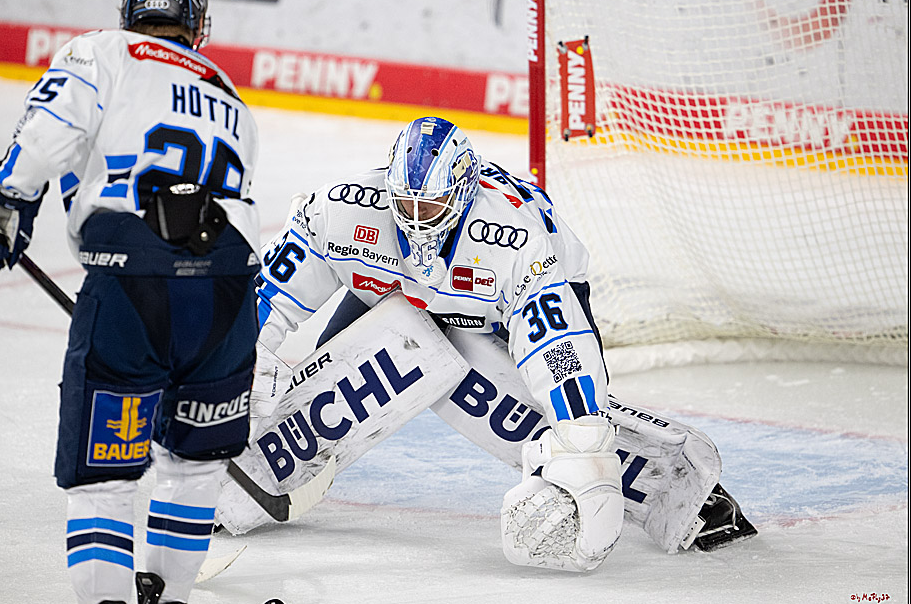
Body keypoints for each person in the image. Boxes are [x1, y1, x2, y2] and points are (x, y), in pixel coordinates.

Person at [215, 116, 757, 572]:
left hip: (496, 308)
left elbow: (556, 339)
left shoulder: (510, 237)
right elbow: (273, 289)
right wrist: (244, 354)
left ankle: (679, 494)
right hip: (396, 288)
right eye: (405, 204)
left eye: (430, 209)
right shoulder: (344, 210)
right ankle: (245, 474)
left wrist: (580, 431)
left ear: (464, 194)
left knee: (522, 405)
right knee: (342, 379)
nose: (414, 221)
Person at [0, 0, 261, 604]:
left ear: (130, 10)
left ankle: (108, 603)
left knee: (105, 471)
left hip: (134, 281)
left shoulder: (103, 51)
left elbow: (49, 133)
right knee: (196, 462)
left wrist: (5, 197)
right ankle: (168, 592)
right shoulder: (231, 95)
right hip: (231, 292)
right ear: (195, 18)